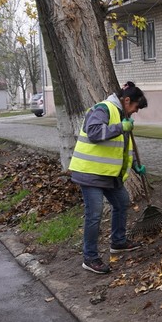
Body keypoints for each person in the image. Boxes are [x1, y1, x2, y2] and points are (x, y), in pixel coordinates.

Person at [68, 81, 148, 274]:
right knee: (94, 215)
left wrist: (136, 164)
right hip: (90, 173)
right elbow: (94, 133)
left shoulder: (122, 115)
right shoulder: (103, 109)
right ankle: (90, 258)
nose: (135, 112)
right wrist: (121, 127)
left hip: (108, 175)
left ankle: (118, 242)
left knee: (122, 202)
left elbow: (125, 145)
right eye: (136, 107)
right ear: (127, 100)